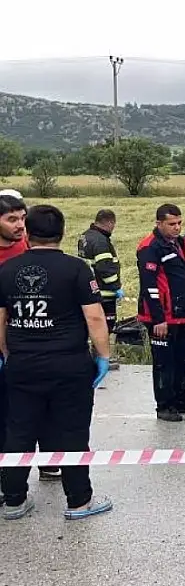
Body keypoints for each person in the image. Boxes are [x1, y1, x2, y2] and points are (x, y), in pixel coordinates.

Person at [0, 204, 113, 520]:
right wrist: (103, 356)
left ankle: (13, 501)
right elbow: (94, 317)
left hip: (22, 365)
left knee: (18, 431)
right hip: (69, 365)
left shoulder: (6, 271)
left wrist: (7, 355)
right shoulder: (76, 269)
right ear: (61, 232)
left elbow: (0, 320)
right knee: (73, 431)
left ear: (29, 232)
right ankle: (79, 501)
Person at [0, 193, 63, 483]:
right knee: (11, 416)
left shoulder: (27, 248)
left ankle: (50, 460)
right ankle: (9, 477)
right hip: (6, 345)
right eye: (12, 219)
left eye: (23, 218)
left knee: (47, 407)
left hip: (31, 341)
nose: (20, 225)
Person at [136, 204, 185, 422]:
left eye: (179, 223)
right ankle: (164, 405)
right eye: (171, 224)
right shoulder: (149, 248)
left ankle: (181, 398)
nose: (177, 228)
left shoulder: (180, 243)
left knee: (181, 360)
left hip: (181, 314)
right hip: (161, 317)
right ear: (159, 223)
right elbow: (149, 286)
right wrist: (158, 319)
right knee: (164, 364)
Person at [77, 209, 125, 370]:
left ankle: (93, 355)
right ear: (110, 222)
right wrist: (116, 287)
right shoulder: (100, 241)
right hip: (104, 293)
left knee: (91, 325)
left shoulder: (85, 236)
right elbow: (105, 268)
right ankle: (101, 356)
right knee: (106, 326)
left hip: (89, 290)